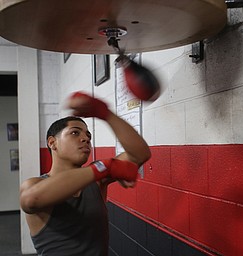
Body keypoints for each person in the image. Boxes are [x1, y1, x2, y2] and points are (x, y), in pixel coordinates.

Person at [20, 91, 151, 255]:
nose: (86, 139)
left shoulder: (97, 179)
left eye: (88, 135)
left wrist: (107, 114)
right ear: (53, 143)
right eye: (75, 133)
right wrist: (103, 168)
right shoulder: (34, 184)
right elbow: (31, 199)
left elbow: (140, 154)